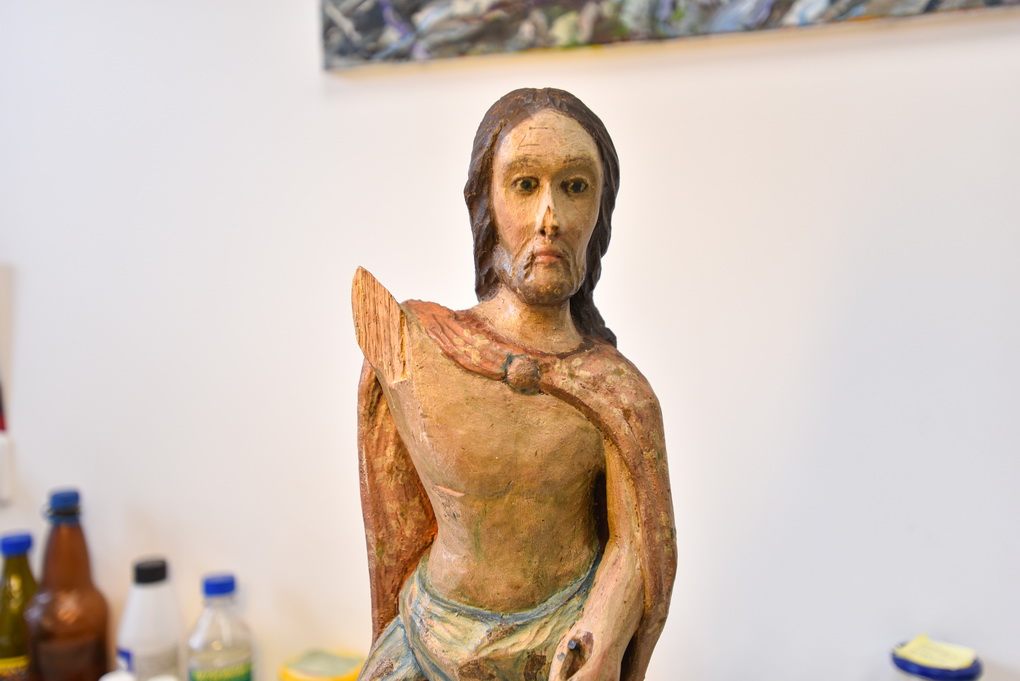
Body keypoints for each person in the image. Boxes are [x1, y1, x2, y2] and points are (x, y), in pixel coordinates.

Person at [352, 88, 676, 681]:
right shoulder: (416, 346)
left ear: (600, 210)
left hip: (558, 651)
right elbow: (394, 530)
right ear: (486, 203)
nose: (550, 217)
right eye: (525, 185)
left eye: (574, 186)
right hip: (424, 645)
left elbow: (637, 546)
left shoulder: (617, 392)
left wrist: (600, 633)